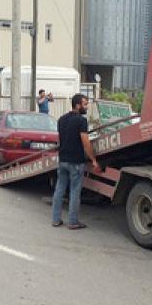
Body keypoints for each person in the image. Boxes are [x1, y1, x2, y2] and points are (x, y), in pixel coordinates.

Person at [51, 94, 99, 230]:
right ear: (77, 105)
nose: (87, 107)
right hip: (76, 162)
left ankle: (56, 220)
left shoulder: (61, 119)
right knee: (74, 192)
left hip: (63, 160)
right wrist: (93, 159)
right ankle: (72, 222)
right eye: (85, 104)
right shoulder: (81, 121)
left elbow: (62, 139)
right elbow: (85, 142)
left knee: (59, 190)